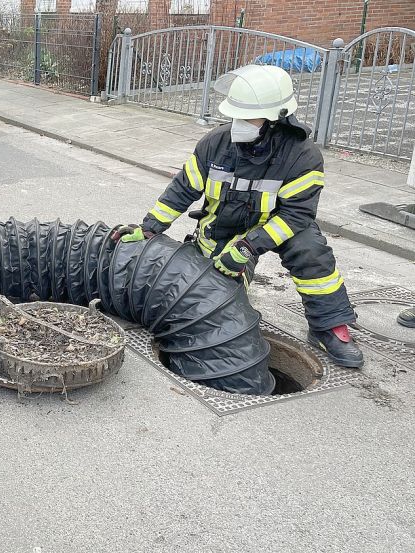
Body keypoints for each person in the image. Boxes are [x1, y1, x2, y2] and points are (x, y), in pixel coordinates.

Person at [113, 64, 364, 368]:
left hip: (277, 226)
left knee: (311, 251)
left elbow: (297, 214)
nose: (238, 124)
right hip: (223, 227)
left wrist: (248, 247)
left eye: (247, 117)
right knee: (213, 297)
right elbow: (183, 189)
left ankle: (328, 326)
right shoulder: (216, 144)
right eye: (236, 115)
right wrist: (149, 228)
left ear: (276, 119)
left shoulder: (302, 156)